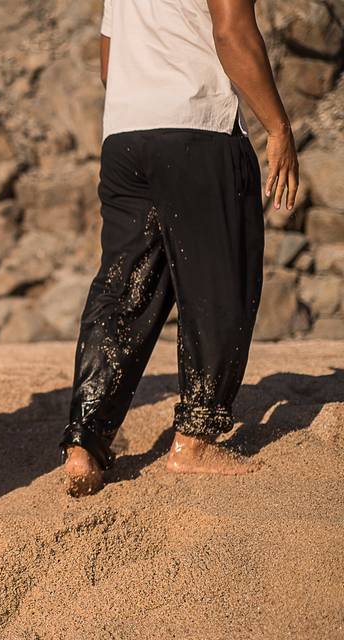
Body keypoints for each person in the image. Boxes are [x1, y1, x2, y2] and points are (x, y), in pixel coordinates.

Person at [60, 0, 300, 496]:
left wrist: (147, 105)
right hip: (198, 127)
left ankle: (85, 442)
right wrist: (278, 127)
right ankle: (195, 439)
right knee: (219, 283)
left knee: (123, 287)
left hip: (126, 133)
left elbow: (109, 59)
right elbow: (233, 31)